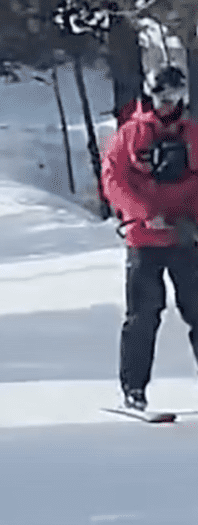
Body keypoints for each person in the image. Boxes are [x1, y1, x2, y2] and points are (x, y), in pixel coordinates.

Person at [101, 64, 198, 411]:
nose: (167, 102)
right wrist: (143, 213)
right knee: (143, 316)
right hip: (144, 240)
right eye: (161, 95)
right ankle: (134, 389)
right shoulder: (129, 134)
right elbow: (113, 181)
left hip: (185, 240)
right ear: (150, 94)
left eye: (173, 95)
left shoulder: (192, 134)